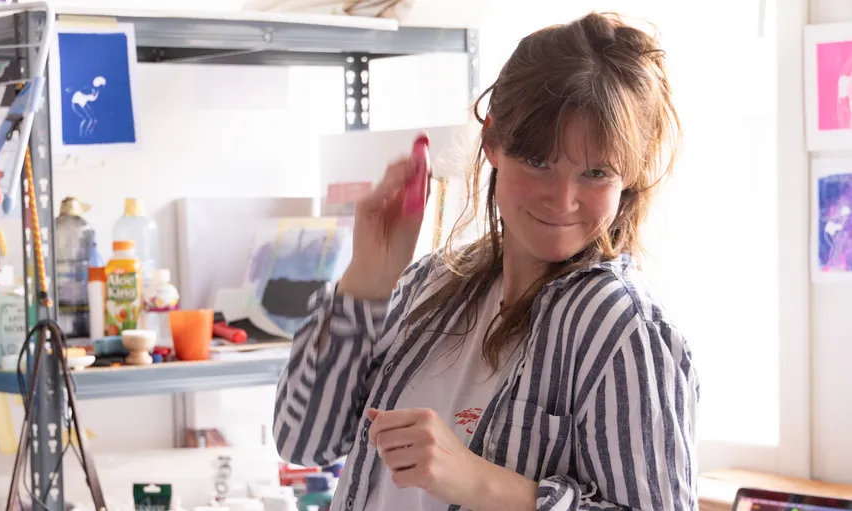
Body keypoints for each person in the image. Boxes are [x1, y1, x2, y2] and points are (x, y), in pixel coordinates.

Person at [274, 11, 699, 511]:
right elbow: (303, 443)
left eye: (596, 172)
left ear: (629, 172)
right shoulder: (431, 285)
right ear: (493, 141)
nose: (562, 200)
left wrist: (483, 484)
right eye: (539, 162)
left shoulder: (623, 330)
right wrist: (368, 278)